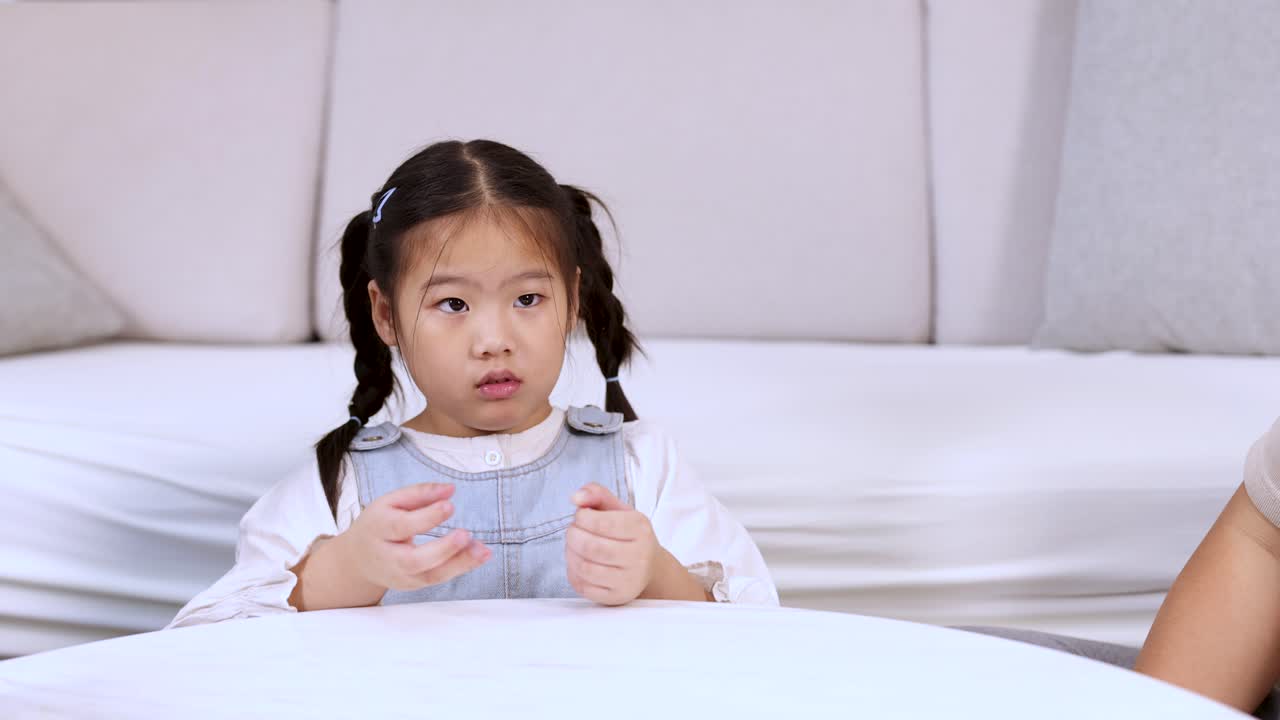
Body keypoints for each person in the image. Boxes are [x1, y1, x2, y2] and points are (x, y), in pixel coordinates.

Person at [169, 139, 776, 627]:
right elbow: (206, 641)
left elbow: (766, 632)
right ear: (386, 315)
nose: (494, 339)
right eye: (453, 304)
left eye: (529, 298)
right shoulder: (344, 483)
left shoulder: (642, 465)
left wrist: (657, 576)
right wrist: (345, 570)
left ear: (572, 302)